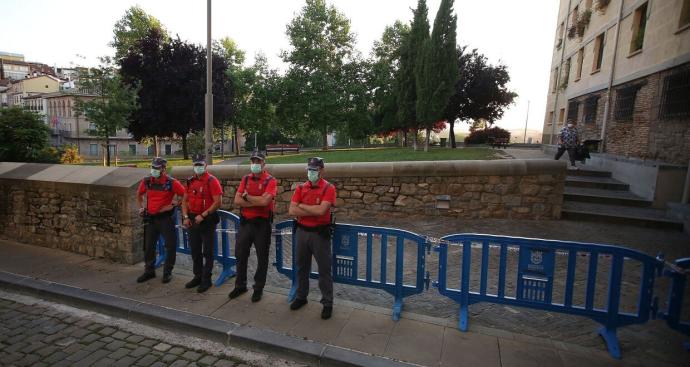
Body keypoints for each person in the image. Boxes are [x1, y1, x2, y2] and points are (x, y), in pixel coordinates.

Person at [288, 157, 337, 319]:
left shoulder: (329, 188)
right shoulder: (301, 188)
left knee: (324, 269)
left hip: (319, 234)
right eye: (309, 169)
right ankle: (301, 297)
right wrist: (311, 209)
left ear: (322, 171)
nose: (311, 172)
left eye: (314, 170)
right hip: (302, 232)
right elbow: (291, 211)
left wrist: (301, 206)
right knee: (301, 267)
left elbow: (321, 211)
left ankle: (327, 303)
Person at [228, 151, 277, 303]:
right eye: (253, 161)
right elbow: (237, 200)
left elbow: (265, 202)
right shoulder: (246, 178)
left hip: (262, 224)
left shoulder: (271, 180)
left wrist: (247, 197)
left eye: (258, 161)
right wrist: (255, 200)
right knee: (240, 254)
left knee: (262, 257)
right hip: (246, 222)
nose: (255, 164)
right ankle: (240, 285)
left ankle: (258, 288)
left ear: (264, 164)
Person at [136, 157, 186, 284]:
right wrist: (141, 207)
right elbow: (139, 194)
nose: (154, 170)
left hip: (165, 219)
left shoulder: (171, 182)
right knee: (148, 246)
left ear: (164, 169)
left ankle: (167, 272)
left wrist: (174, 204)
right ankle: (149, 271)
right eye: (153, 167)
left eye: (157, 168)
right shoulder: (147, 181)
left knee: (170, 245)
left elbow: (186, 195)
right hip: (151, 218)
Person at [181, 153, 223, 293]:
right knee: (195, 250)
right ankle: (197, 276)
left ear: (205, 165)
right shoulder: (190, 181)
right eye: (196, 164)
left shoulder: (212, 181)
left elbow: (218, 202)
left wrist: (203, 215)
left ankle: (207, 280)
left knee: (208, 251)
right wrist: (186, 216)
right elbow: (184, 201)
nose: (198, 167)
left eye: (200, 164)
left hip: (207, 220)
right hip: (192, 219)